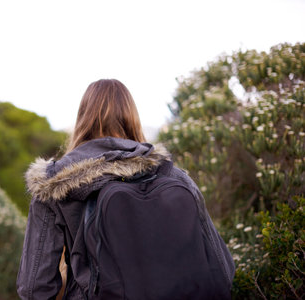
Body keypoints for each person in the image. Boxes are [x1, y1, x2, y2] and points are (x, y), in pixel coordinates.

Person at [17, 79, 235, 299]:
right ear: (132, 117)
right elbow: (224, 270)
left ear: (83, 119)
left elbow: (35, 286)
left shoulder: (54, 184)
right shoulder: (173, 175)